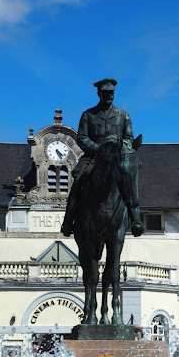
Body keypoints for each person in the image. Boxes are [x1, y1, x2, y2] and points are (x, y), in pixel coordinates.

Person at [61, 78, 144, 238]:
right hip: (94, 157)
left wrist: (120, 144)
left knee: (129, 177)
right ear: (99, 94)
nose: (109, 96)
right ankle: (68, 221)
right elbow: (82, 138)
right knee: (79, 179)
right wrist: (99, 149)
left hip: (118, 156)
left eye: (111, 93)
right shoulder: (88, 115)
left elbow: (129, 137)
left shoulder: (123, 115)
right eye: (106, 93)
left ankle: (136, 220)